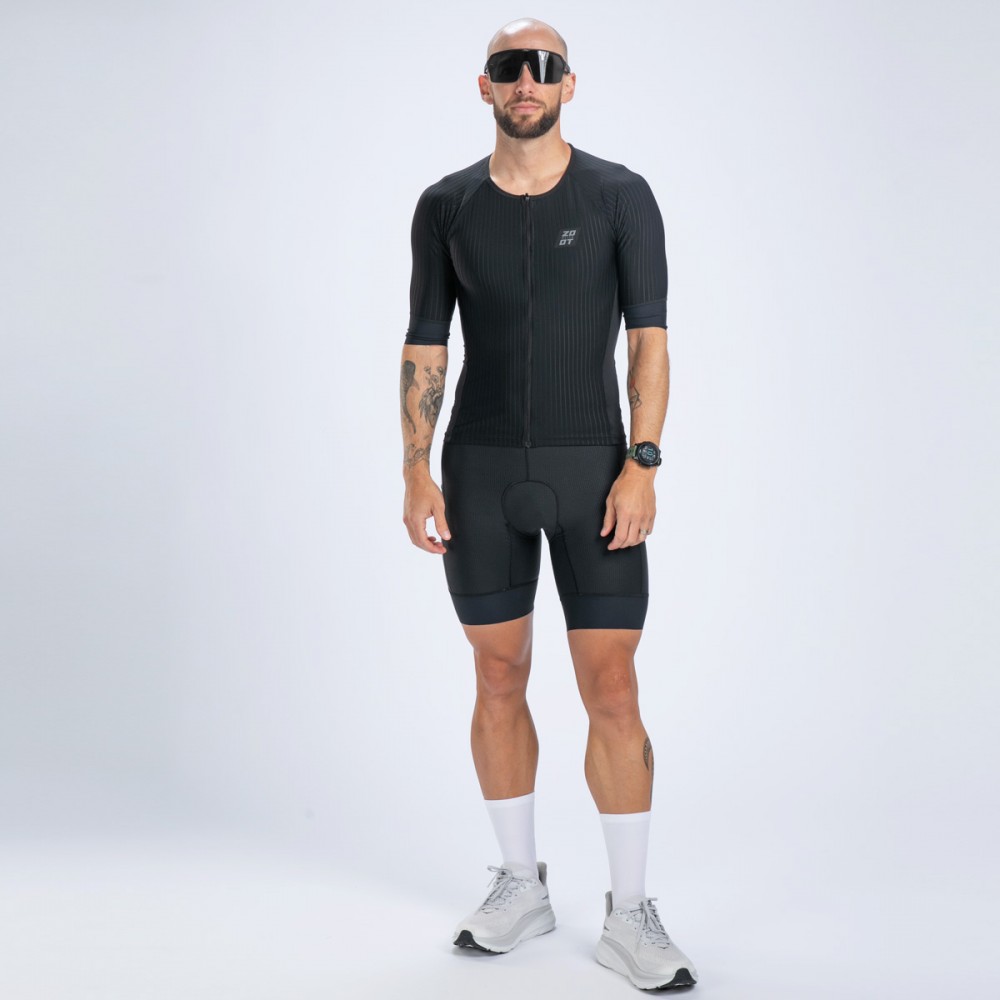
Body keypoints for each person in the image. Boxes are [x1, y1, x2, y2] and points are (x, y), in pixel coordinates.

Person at [399, 17, 698, 992]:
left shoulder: (619, 196)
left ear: (569, 84)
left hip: (592, 473)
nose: (525, 80)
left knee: (612, 689)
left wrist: (642, 463)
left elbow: (648, 340)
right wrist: (415, 469)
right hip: (480, 472)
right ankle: (519, 884)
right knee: (496, 675)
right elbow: (427, 344)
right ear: (483, 86)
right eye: (507, 68)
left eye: (543, 67)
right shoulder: (445, 206)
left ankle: (630, 912)